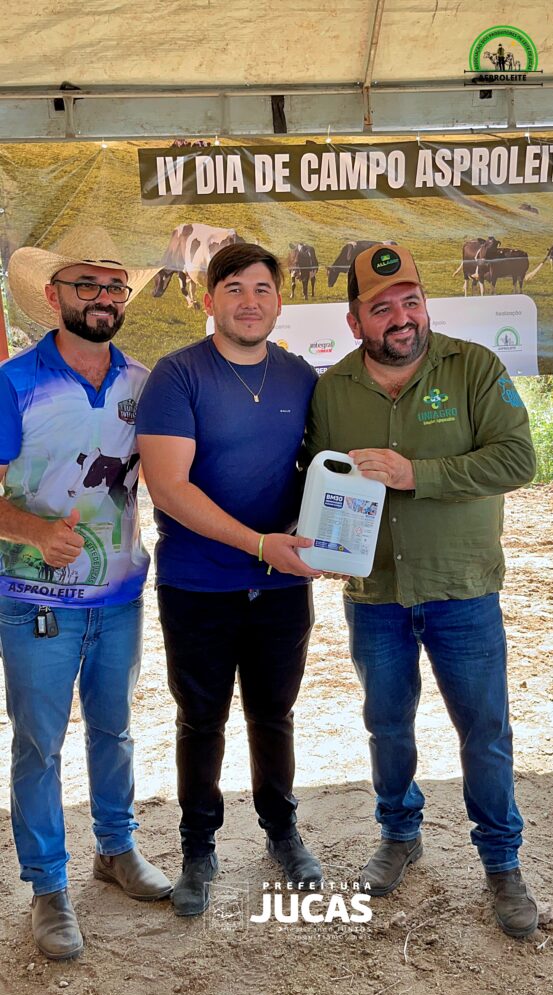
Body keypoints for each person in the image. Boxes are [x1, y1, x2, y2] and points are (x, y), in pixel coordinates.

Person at [305, 243, 539, 938]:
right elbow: (314, 475)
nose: (401, 317)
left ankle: (502, 863)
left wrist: (416, 474)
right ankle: (399, 834)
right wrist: (315, 540)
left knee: (485, 732)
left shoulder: (475, 368)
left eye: (411, 302)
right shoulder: (332, 389)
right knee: (386, 724)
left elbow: (517, 459)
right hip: (374, 593)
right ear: (355, 322)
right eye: (382, 308)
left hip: (461, 589)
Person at [0, 227, 173, 961]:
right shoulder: (14, 382)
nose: (103, 297)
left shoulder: (144, 382)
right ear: (53, 295)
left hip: (120, 594)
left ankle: (116, 848)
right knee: (40, 744)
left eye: (114, 286)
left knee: (115, 729)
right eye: (86, 285)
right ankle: (48, 886)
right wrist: (34, 532)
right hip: (33, 598)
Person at [136, 243, 323, 917]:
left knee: (273, 713)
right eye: (235, 288)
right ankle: (198, 848)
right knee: (201, 718)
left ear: (279, 300)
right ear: (210, 299)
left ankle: (282, 830)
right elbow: (168, 487)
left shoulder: (301, 377)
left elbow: (321, 470)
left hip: (282, 586)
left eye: (262, 289)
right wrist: (259, 545)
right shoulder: (177, 375)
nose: (249, 301)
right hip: (197, 584)